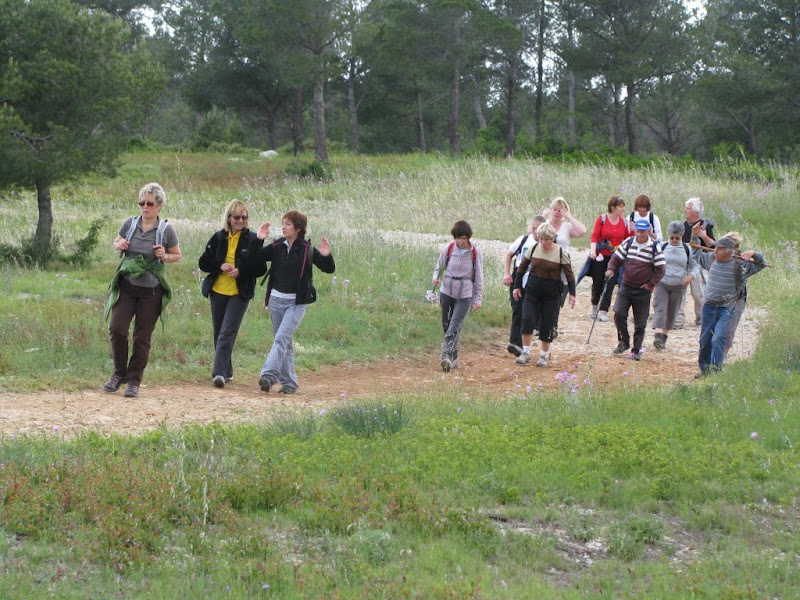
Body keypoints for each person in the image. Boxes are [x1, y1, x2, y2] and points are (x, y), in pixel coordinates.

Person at [103, 183, 181, 398]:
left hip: (151, 291)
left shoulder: (165, 230)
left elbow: (177, 255)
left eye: (149, 203)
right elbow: (117, 241)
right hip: (127, 286)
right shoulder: (130, 223)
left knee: (141, 337)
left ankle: (134, 381)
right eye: (141, 203)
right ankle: (119, 374)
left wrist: (163, 255)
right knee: (117, 328)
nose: (144, 207)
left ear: (159, 206)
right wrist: (118, 245)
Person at [245, 211, 335, 394]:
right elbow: (253, 257)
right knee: (284, 342)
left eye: (287, 224)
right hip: (276, 301)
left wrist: (326, 255)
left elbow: (328, 269)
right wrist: (259, 239)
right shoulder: (277, 246)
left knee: (280, 339)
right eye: (283, 223)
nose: (283, 227)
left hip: (296, 303)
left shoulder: (306, 249)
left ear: (298, 228)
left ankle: (269, 375)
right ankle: (290, 383)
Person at [198, 199, 259, 388]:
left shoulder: (253, 240)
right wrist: (220, 265)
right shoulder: (218, 237)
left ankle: (219, 374)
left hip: (239, 293)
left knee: (227, 332)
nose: (241, 221)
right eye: (237, 217)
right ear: (229, 218)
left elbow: (260, 268)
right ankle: (228, 370)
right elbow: (203, 263)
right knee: (219, 332)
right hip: (217, 290)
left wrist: (240, 271)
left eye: (244, 217)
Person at [691, 235, 766, 377]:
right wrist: (695, 236)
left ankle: (715, 371)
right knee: (705, 339)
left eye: (720, 249)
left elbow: (761, 264)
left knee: (719, 337)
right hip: (708, 307)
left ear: (729, 251)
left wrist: (754, 254)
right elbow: (696, 253)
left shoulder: (740, 265)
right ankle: (704, 370)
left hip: (726, 309)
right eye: (716, 248)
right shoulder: (711, 259)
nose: (715, 251)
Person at [512, 223, 576, 367]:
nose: (544, 242)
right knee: (527, 319)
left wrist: (572, 294)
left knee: (547, 323)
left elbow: (569, 274)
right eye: (541, 239)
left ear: (552, 238)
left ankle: (543, 355)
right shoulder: (534, 248)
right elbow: (521, 267)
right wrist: (516, 286)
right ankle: (526, 352)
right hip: (532, 290)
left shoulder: (561, 253)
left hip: (551, 293)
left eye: (547, 239)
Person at [604, 219, 665, 360]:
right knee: (618, 313)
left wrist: (650, 284)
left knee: (640, 322)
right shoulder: (629, 242)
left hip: (643, 290)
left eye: (643, 231)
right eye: (638, 231)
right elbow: (616, 258)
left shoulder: (655, 247)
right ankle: (624, 341)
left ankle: (636, 350)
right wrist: (610, 269)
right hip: (626, 286)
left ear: (648, 231)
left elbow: (661, 269)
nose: (640, 234)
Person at [432, 220, 484, 372]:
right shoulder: (448, 249)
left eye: (463, 238)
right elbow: (439, 268)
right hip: (447, 291)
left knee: (455, 324)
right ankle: (454, 356)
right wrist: (435, 278)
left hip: (465, 294)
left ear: (468, 237)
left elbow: (479, 276)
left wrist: (478, 299)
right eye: (458, 238)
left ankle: (445, 356)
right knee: (447, 325)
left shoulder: (475, 252)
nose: (460, 241)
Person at [652, 221, 699, 350]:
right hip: (662, 283)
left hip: (679, 285)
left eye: (677, 238)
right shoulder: (662, 247)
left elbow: (694, 266)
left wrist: (691, 277)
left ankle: (663, 338)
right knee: (660, 308)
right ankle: (657, 335)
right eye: (671, 237)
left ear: (682, 236)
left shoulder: (687, 249)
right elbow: (653, 263)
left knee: (672, 312)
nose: (674, 240)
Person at [503, 215, 545, 357]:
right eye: (532, 227)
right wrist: (507, 274)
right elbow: (509, 254)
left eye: (537, 228)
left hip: (535, 280)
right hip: (518, 278)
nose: (534, 231)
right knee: (517, 309)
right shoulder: (523, 240)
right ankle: (515, 343)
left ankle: (527, 339)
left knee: (528, 313)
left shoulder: (547, 243)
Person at [545, 197, 586, 336]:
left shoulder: (567, 227)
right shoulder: (544, 224)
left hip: (562, 265)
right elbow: (531, 231)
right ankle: (543, 325)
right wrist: (544, 216)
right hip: (545, 263)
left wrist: (569, 216)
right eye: (554, 209)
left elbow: (582, 231)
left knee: (558, 298)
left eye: (560, 210)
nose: (557, 213)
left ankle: (553, 326)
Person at [588, 195, 630, 322]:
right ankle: (595, 306)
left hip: (616, 256)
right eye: (620, 207)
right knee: (598, 282)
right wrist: (592, 250)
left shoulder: (624, 222)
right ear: (613, 207)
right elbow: (594, 236)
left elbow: (627, 238)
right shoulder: (602, 219)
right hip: (601, 255)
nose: (622, 209)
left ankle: (603, 310)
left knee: (610, 283)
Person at [676, 197, 715, 328]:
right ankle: (678, 320)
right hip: (683, 262)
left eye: (688, 208)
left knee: (698, 293)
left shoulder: (705, 225)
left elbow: (712, 246)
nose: (685, 210)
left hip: (699, 263)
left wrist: (703, 235)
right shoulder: (682, 226)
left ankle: (701, 318)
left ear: (696, 213)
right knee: (679, 291)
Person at [722, 232, 747, 358]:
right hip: (719, 299)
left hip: (737, 298)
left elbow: (759, 263)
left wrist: (754, 254)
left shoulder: (742, 261)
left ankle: (723, 356)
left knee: (730, 329)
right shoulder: (718, 256)